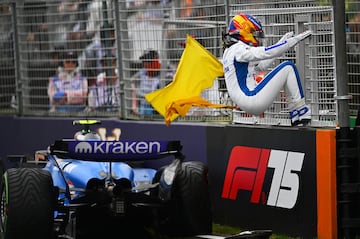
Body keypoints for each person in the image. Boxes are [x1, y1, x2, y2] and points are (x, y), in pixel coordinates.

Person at [222, 13, 312, 126]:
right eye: (253, 33)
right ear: (244, 31)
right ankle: (300, 109)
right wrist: (291, 42)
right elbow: (266, 52)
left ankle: (295, 112)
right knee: (288, 67)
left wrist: (281, 44)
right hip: (252, 98)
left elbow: (261, 66)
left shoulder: (229, 51)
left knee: (286, 70)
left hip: (247, 102)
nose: (256, 38)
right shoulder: (238, 49)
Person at [132, 49, 161, 115]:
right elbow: (131, 80)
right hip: (143, 105)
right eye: (144, 61)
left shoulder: (162, 73)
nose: (144, 63)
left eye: (147, 61)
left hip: (156, 108)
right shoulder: (143, 72)